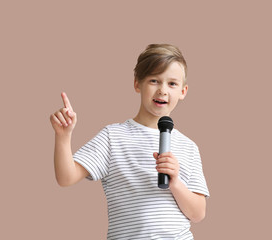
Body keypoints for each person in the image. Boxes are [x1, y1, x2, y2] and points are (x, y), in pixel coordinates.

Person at [50, 44, 210, 239]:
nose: (162, 90)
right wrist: (63, 136)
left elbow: (198, 213)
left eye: (172, 84)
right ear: (137, 84)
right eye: (154, 80)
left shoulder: (189, 147)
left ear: (183, 91)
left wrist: (175, 182)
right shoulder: (113, 136)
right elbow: (66, 177)